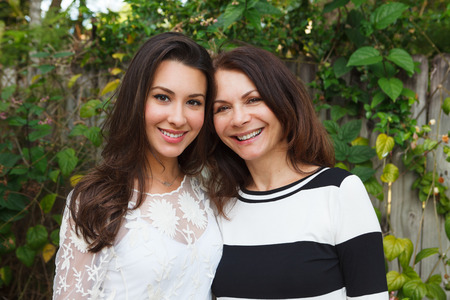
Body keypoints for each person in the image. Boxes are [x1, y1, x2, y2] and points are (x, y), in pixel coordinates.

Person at [206, 46, 388, 299]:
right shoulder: (218, 206)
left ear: (283, 100)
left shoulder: (339, 191)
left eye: (253, 99)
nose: (239, 119)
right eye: (222, 108)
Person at [53, 32, 222, 300]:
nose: (178, 118)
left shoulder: (207, 188)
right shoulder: (96, 201)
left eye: (193, 102)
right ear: (137, 98)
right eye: (162, 97)